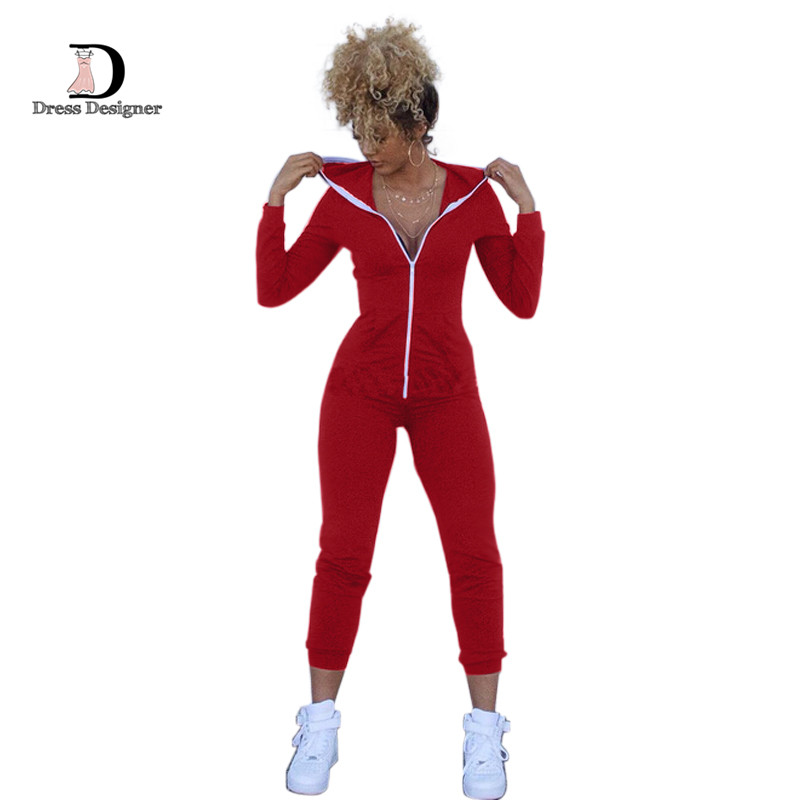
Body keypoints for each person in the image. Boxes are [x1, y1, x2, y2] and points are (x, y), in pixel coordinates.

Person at [256, 19, 545, 799]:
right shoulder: (345, 195)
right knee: (343, 554)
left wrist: (526, 210)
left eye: (376, 132)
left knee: (474, 556)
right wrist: (275, 201)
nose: (363, 145)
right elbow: (274, 289)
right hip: (360, 393)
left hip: (449, 395)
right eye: (355, 130)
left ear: (417, 125)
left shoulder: (474, 195)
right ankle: (320, 723)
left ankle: (484, 732)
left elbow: (521, 300)